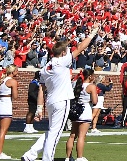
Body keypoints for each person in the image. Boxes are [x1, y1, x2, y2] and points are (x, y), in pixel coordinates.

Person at [21, 25, 102, 161]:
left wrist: (39, 108)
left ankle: (30, 154)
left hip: (51, 101)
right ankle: (47, 158)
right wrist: (93, 33)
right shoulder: (62, 62)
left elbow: (42, 89)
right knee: (55, 134)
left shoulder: (45, 68)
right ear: (63, 53)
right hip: (62, 100)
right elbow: (81, 48)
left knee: (52, 130)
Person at [64, 68, 97, 161]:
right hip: (85, 110)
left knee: (72, 134)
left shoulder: (75, 83)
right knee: (82, 135)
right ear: (90, 76)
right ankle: (79, 157)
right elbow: (95, 101)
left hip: (75, 110)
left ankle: (68, 157)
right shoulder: (91, 86)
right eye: (93, 76)